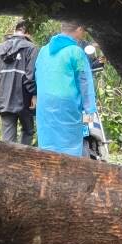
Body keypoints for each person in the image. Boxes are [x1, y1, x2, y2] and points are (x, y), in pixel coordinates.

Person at [34, 22, 98, 157]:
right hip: (67, 106)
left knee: (48, 144)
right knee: (70, 146)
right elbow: (85, 82)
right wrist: (90, 110)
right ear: (79, 29)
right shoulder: (76, 52)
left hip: (45, 106)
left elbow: (37, 76)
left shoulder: (43, 51)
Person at [0, 19, 38, 145]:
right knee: (28, 131)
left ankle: (9, 162)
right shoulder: (31, 48)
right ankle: (23, 161)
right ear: (28, 33)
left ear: (15, 30)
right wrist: (34, 95)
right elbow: (30, 77)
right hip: (25, 100)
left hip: (4, 100)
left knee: (8, 140)